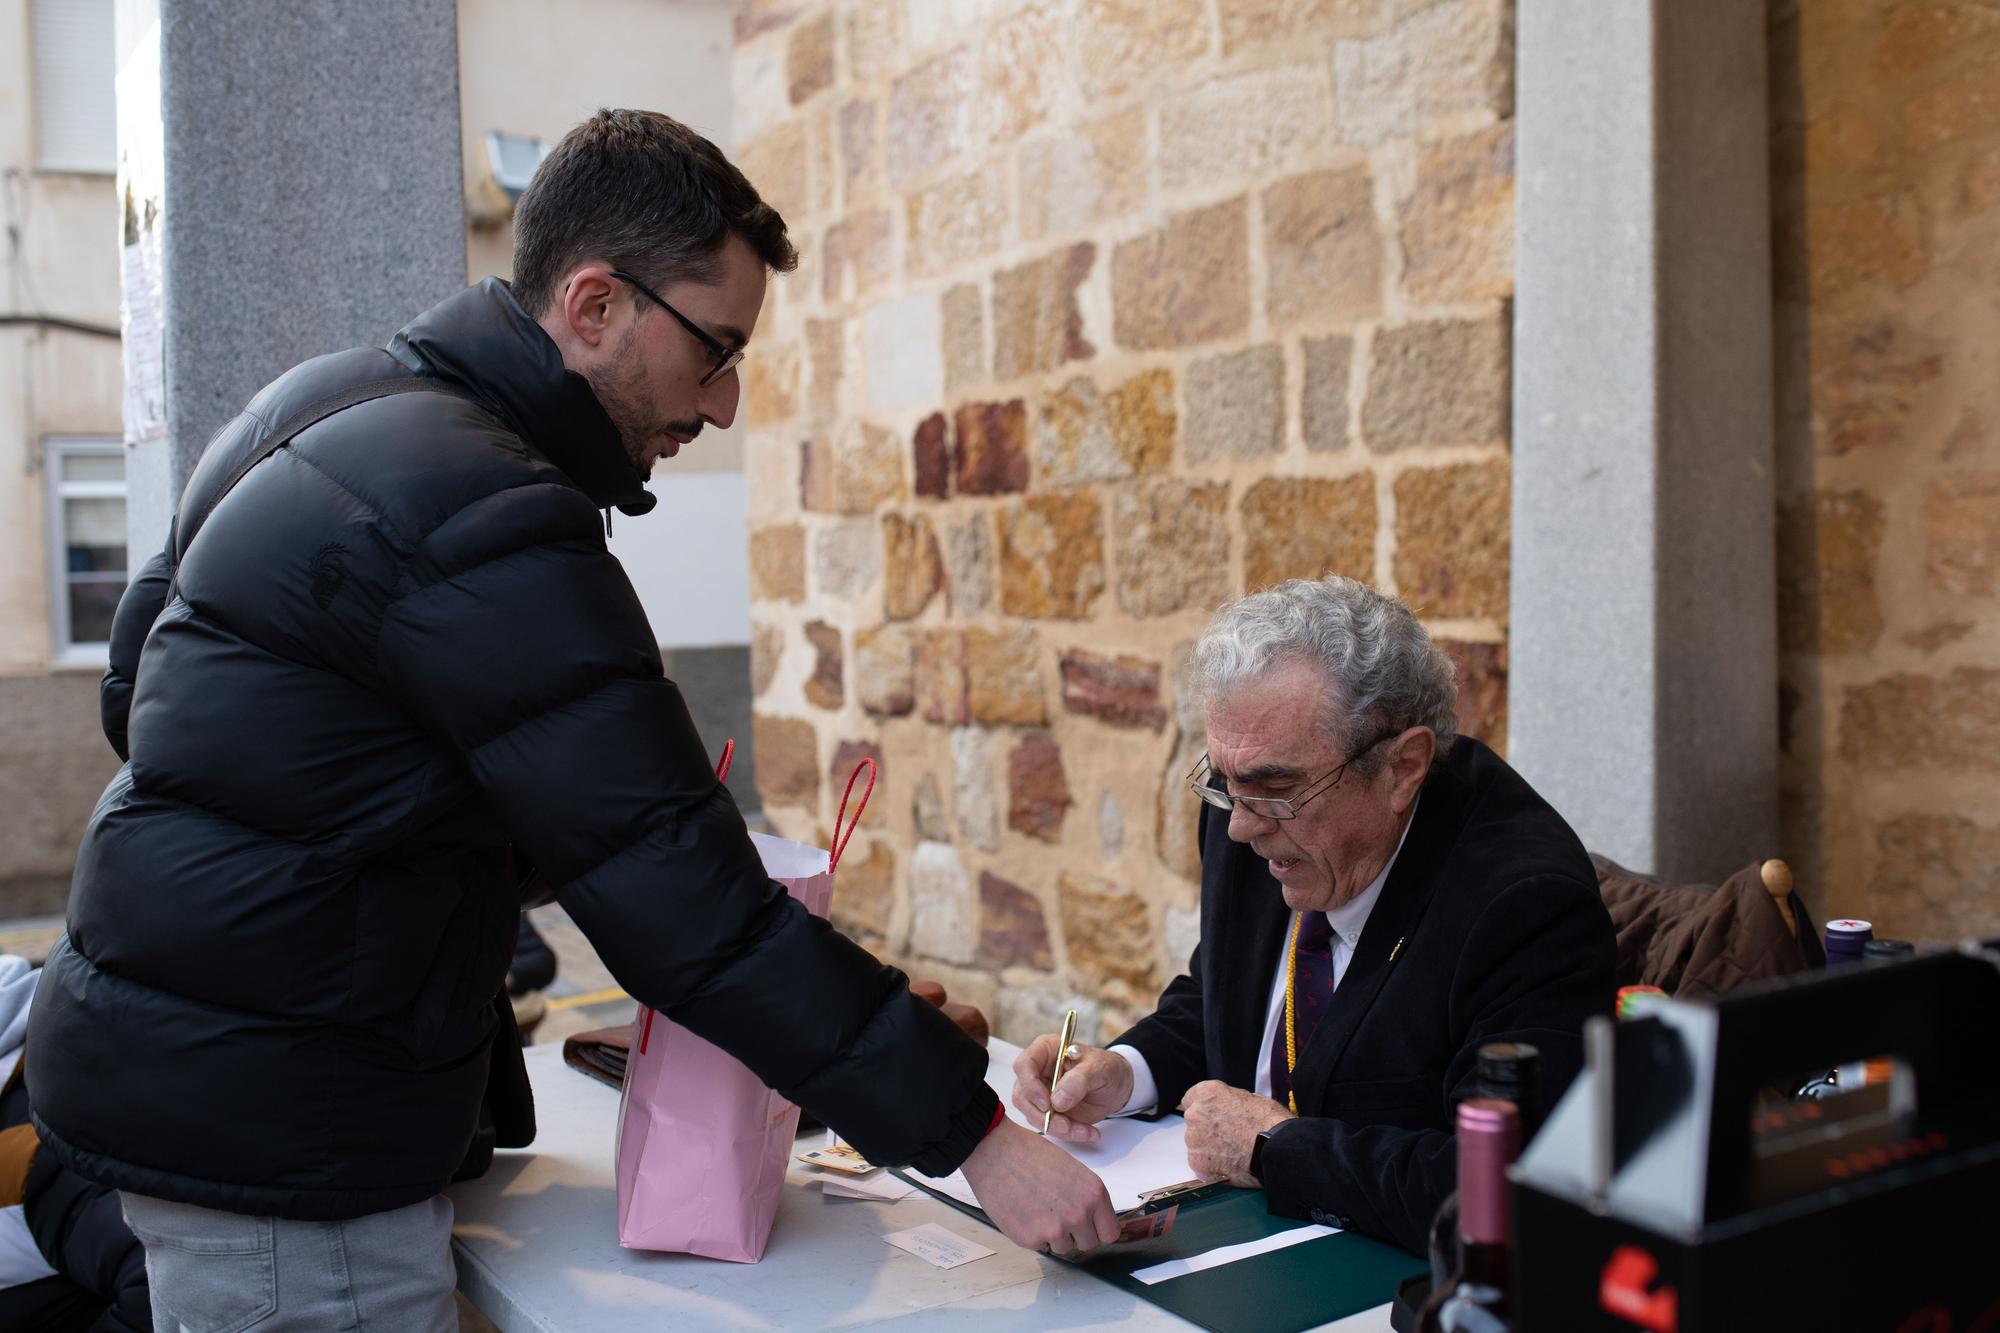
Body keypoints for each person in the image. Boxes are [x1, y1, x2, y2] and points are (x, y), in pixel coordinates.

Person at [29, 109, 1117, 1331]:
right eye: (713, 350)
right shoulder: (489, 504)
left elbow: (141, 693)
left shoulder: (319, 399)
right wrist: (974, 1135)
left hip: (188, 1088)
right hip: (291, 1147)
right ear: (595, 306)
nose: (723, 405)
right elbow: (682, 903)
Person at [1011, 576, 1616, 1255]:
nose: (1238, 826)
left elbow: (1503, 1189)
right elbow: (1225, 993)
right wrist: (1127, 1070)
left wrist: (1274, 1148)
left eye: (1273, 788)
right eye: (1224, 782)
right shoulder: (1260, 809)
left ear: (1403, 766)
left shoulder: (1521, 905)